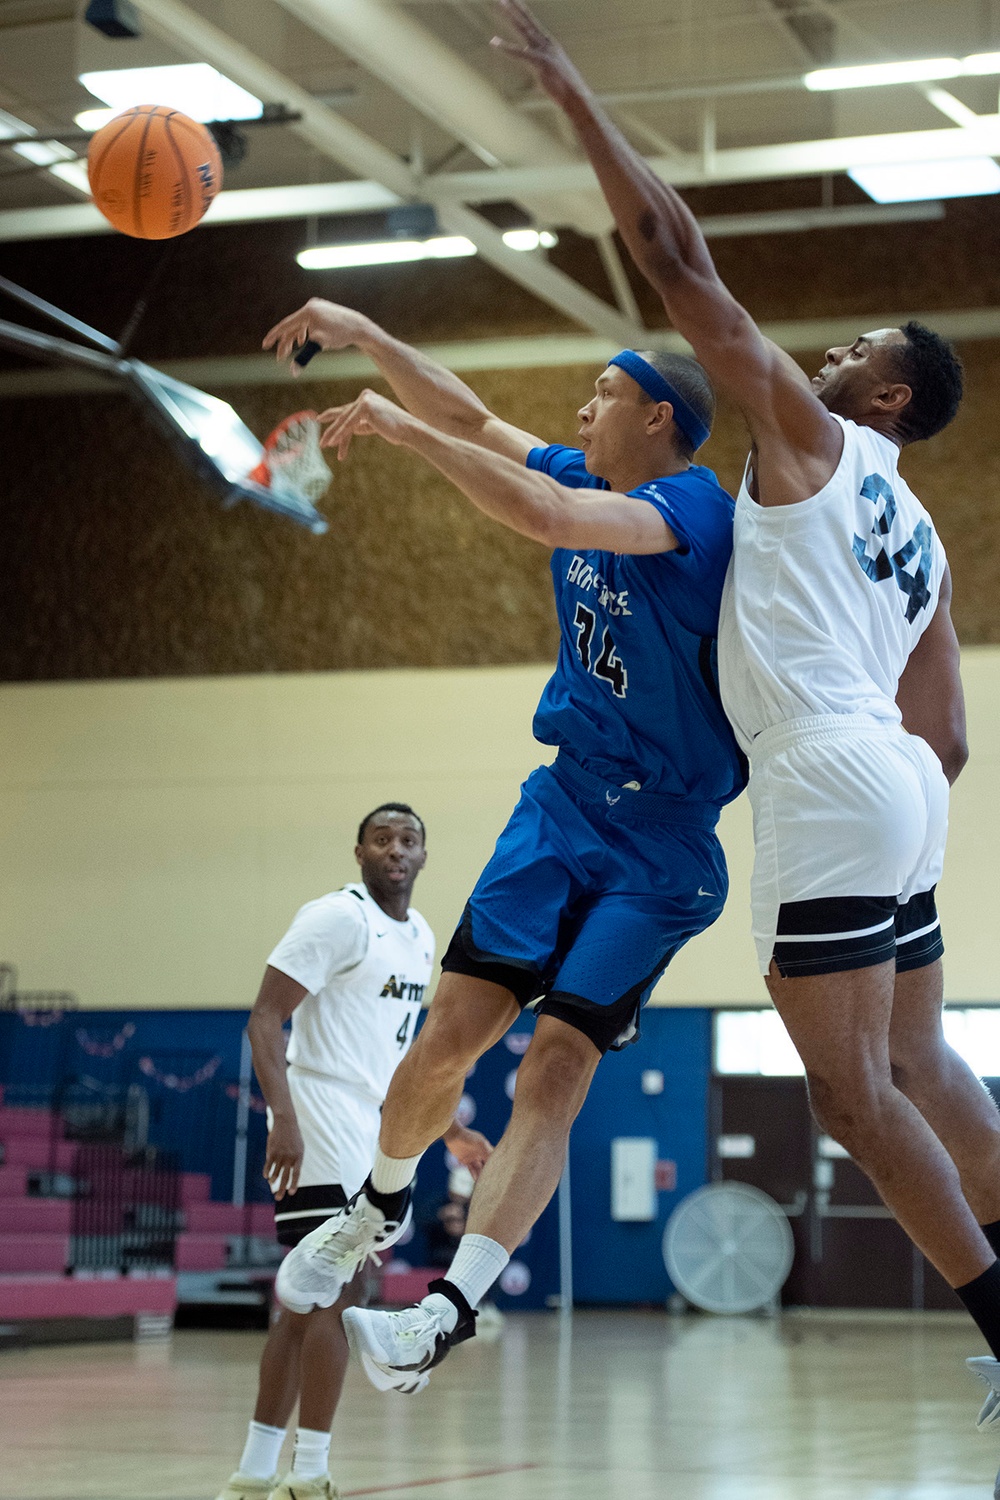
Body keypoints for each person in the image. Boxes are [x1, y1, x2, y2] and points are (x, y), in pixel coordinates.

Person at [487, 0, 1000, 1463]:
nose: (823, 353)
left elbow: (676, 260)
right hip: (906, 787)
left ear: (882, 394)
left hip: (831, 776)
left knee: (848, 1095)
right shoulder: (921, 527)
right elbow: (950, 728)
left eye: (853, 349)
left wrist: (573, 88)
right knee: (927, 1068)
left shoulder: (812, 435)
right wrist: (888, 807)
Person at [260, 278, 747, 1391]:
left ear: (659, 418)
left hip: (664, 839)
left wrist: (396, 430)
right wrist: (374, 331)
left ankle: (449, 1309)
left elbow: (550, 519)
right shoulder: (588, 469)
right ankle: (377, 1207)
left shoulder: (695, 513)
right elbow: (480, 421)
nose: (581, 415)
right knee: (453, 1033)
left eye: (600, 395)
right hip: (563, 805)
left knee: (559, 1063)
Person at [215, 804, 491, 1500]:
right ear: (360, 850)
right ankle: (308, 1476)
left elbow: (405, 1057)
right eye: (383, 838)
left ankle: (254, 1474)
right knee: (345, 1291)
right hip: (317, 1106)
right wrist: (282, 1116)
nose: (397, 849)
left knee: (309, 1306)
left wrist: (449, 1129)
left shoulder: (423, 934)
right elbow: (263, 1016)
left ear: (425, 856)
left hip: (373, 1122)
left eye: (410, 839)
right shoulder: (337, 917)